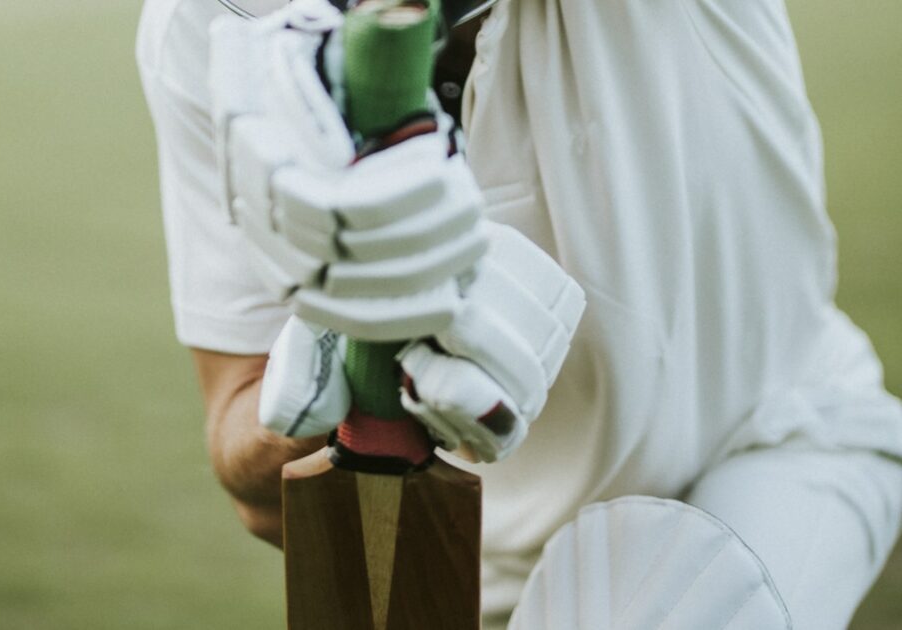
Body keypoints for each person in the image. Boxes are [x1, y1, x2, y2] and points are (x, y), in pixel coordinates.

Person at [136, 0, 902, 627]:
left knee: (664, 590)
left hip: (775, 443)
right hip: (477, 573)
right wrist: (344, 354)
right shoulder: (214, 25)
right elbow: (254, 485)